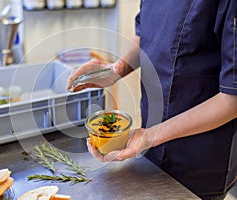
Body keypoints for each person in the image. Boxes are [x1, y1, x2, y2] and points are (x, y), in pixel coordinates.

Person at [67, 1, 237, 200]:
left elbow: (231, 100)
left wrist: (150, 136)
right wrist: (117, 70)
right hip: (150, 147)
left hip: (199, 161)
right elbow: (147, 34)